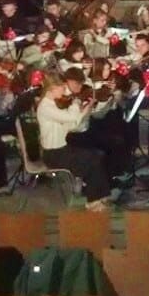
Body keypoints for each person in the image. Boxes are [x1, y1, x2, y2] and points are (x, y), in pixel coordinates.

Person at [36, 73, 111, 211]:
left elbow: (71, 124)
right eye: (62, 88)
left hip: (61, 150)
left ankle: (101, 194)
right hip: (53, 154)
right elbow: (70, 117)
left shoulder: (54, 105)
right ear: (52, 88)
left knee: (96, 155)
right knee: (91, 159)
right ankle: (93, 200)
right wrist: (76, 102)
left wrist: (86, 109)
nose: (64, 91)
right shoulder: (46, 107)